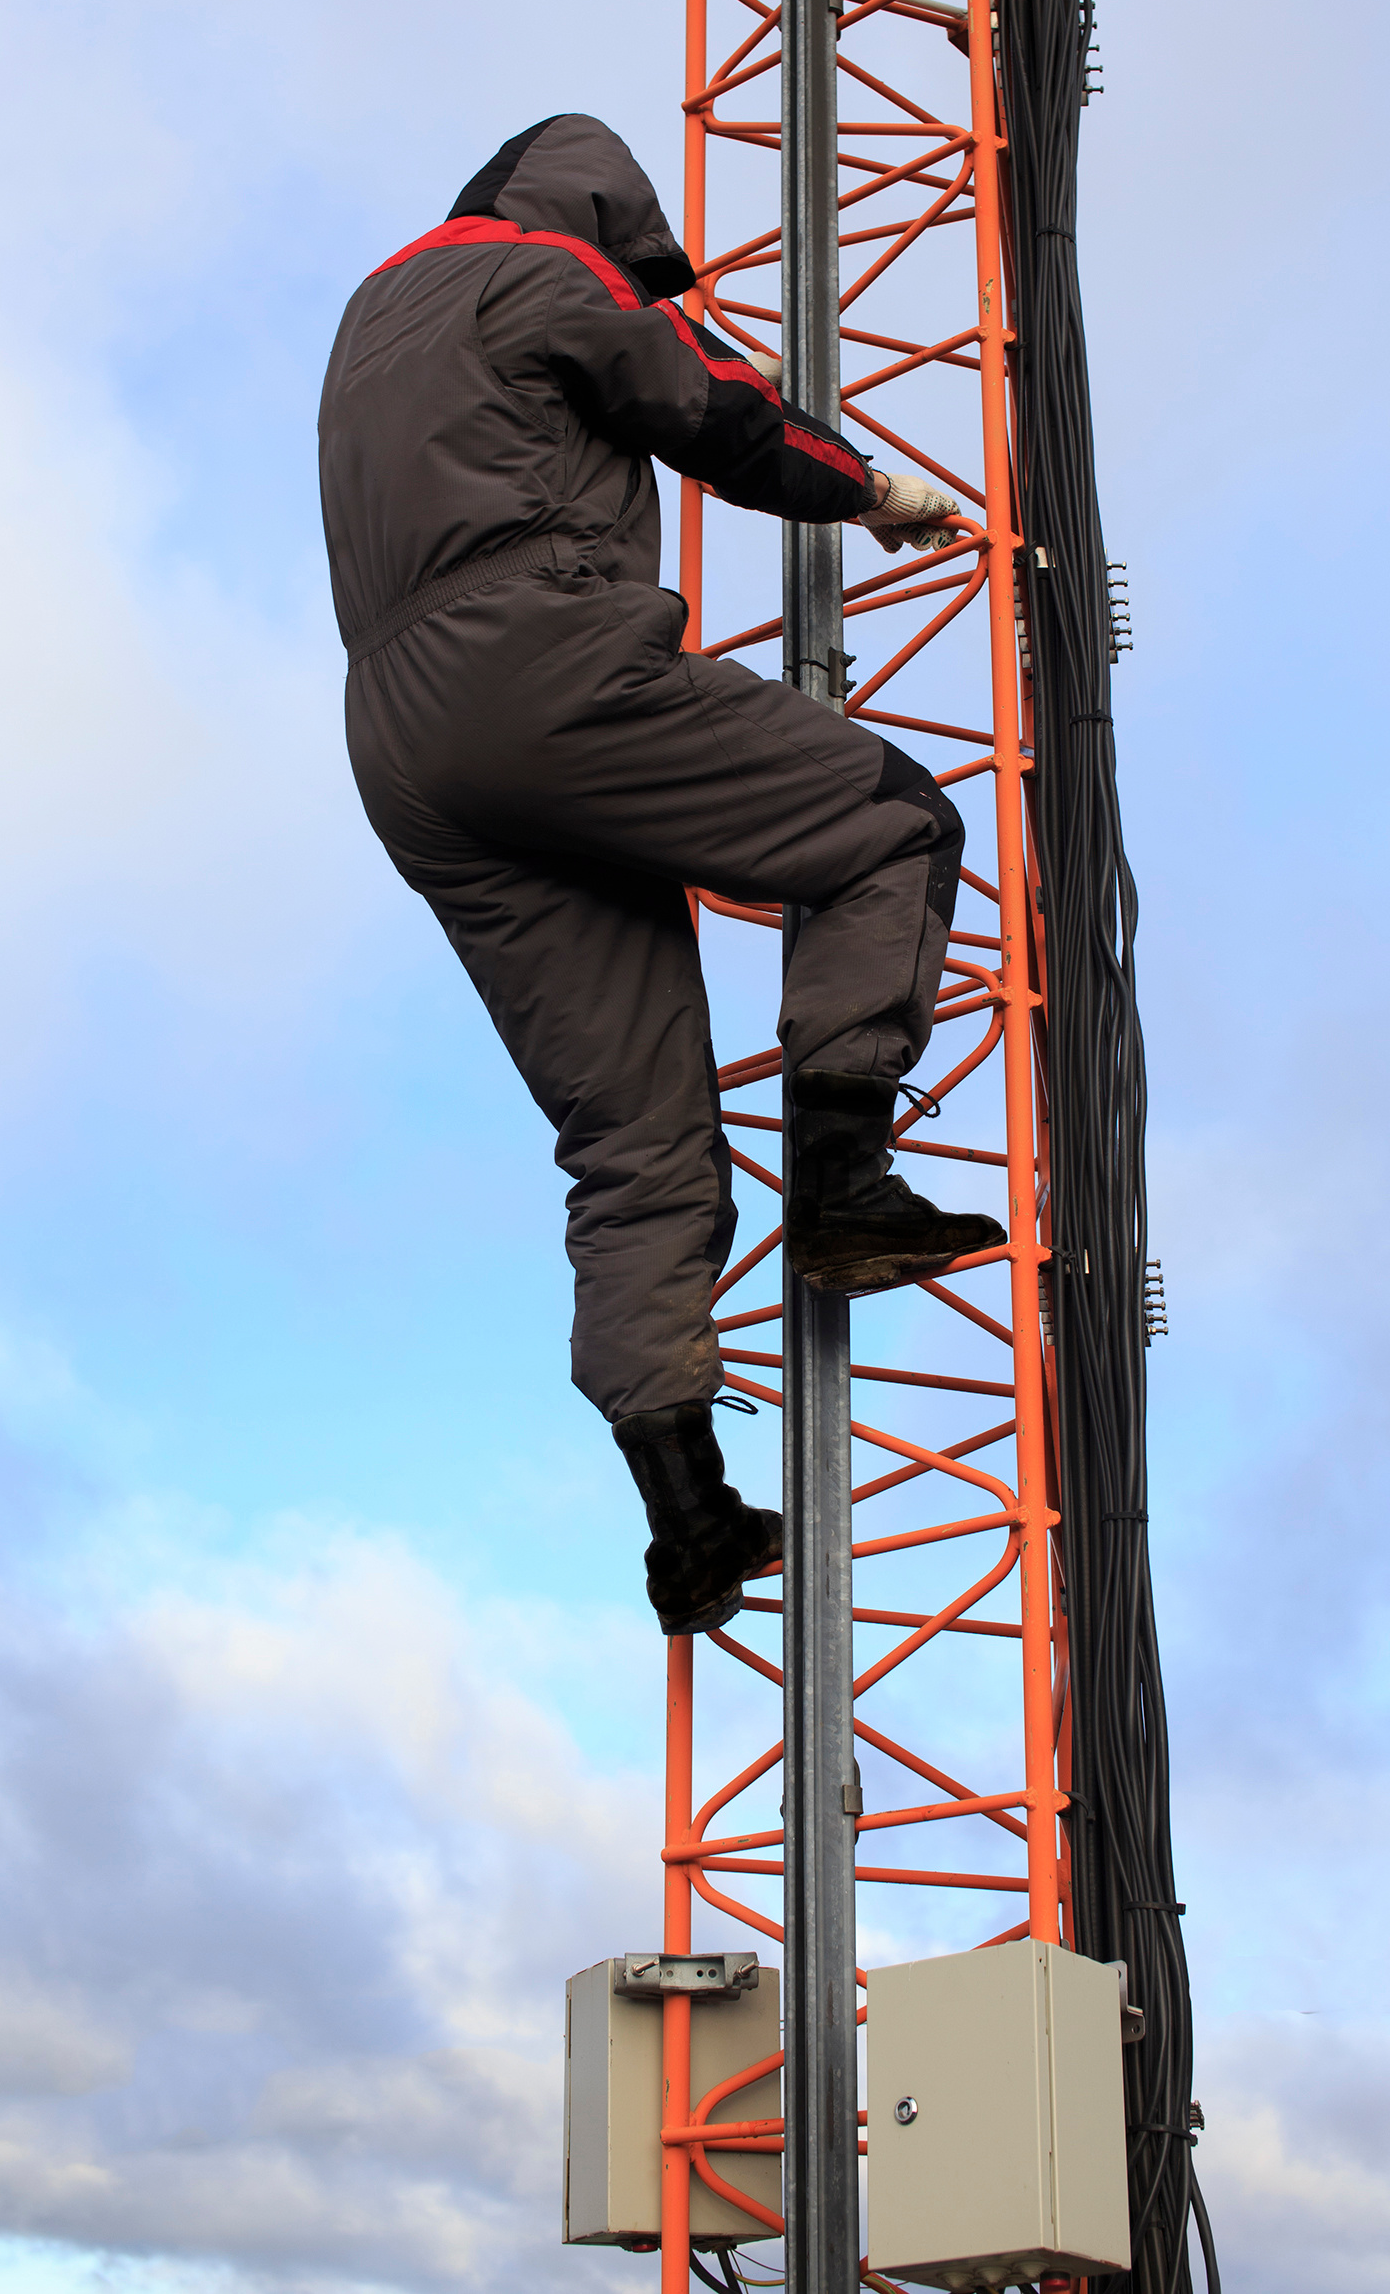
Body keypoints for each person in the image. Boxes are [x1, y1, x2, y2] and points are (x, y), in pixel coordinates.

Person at [318, 114, 1004, 1636]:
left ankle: (689, 1523)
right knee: (888, 819)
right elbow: (709, 407)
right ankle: (841, 1175)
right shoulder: (539, 268)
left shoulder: (372, 318)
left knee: (628, 1131)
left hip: (406, 744)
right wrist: (872, 491)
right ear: (597, 213)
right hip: (540, 660)